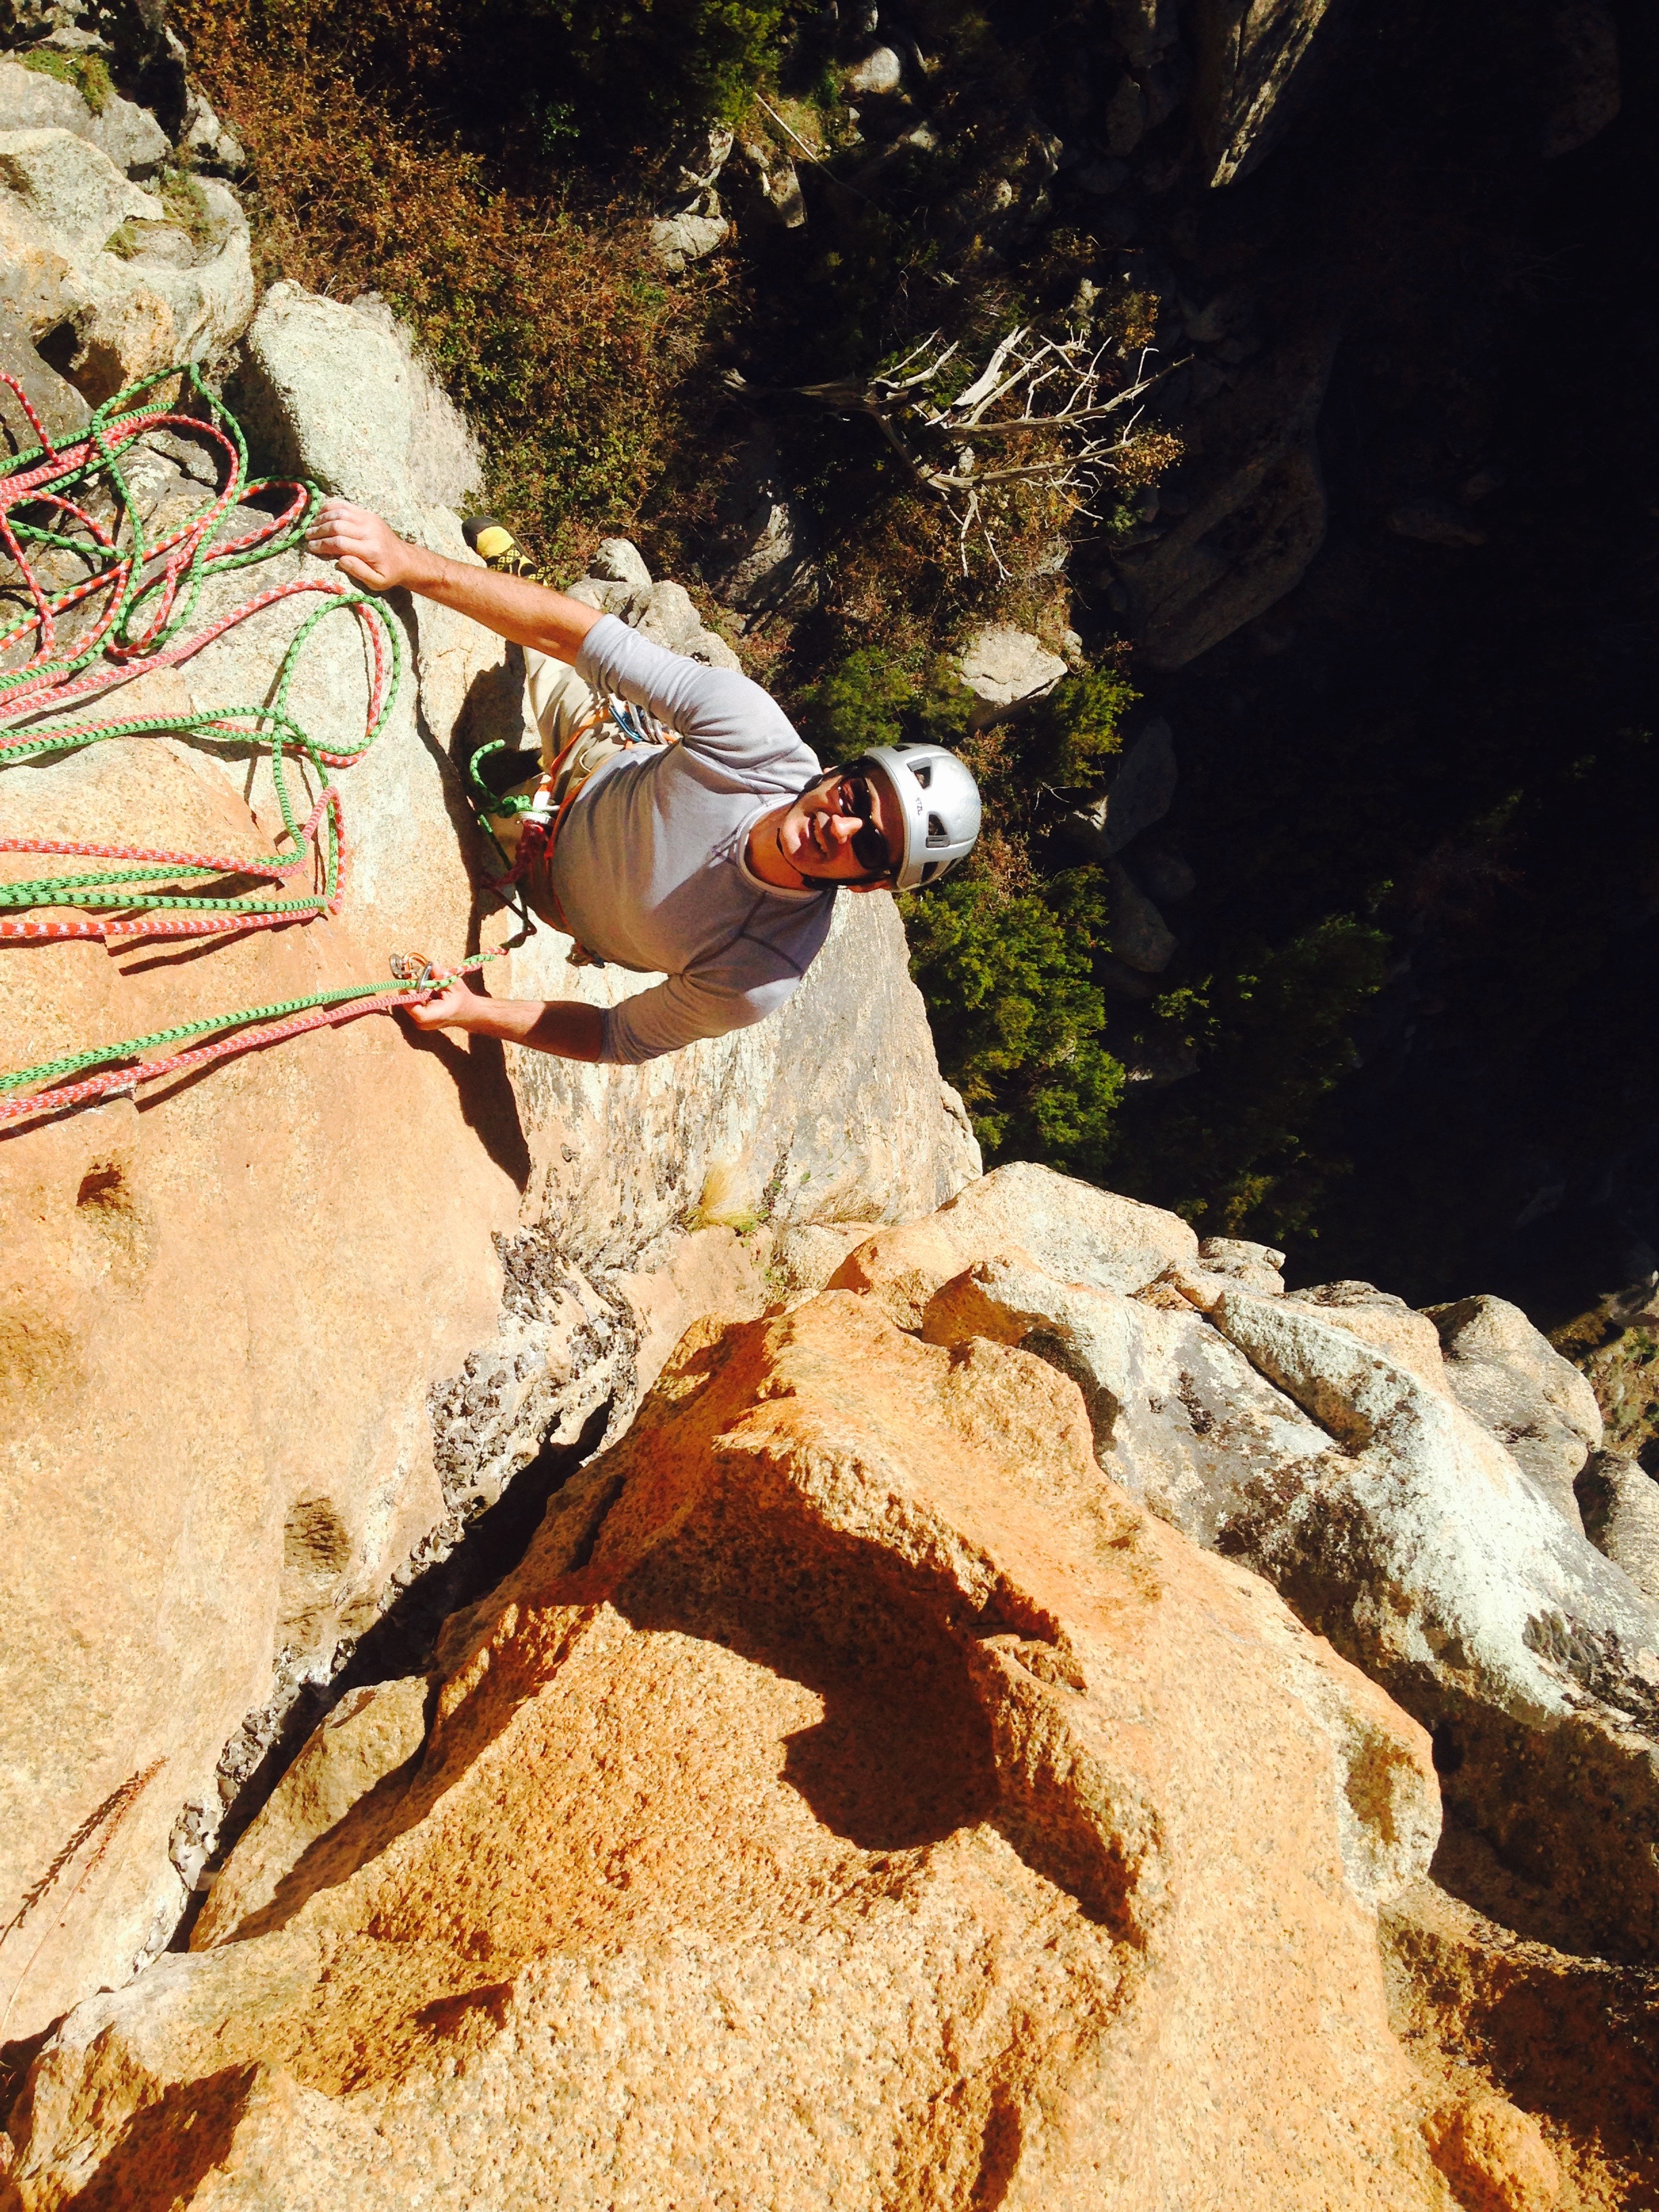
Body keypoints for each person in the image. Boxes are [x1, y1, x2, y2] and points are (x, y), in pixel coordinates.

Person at [304, 498, 983, 1065]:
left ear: (869, 884)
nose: (841, 826)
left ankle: (517, 778)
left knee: (516, 741)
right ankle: (524, 575)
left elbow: (616, 1036)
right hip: (593, 761)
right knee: (549, 657)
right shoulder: (753, 735)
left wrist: (474, 1012)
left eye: (869, 847)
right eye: (857, 798)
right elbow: (578, 639)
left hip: (552, 888)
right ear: (841, 770)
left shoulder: (759, 970)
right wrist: (405, 562)